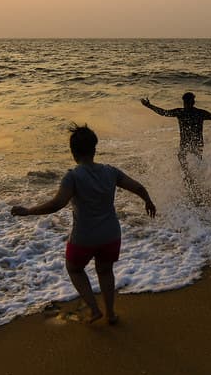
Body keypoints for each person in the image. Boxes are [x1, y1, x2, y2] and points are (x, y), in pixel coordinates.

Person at [11, 124, 156, 325]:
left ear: (73, 153)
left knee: (74, 269)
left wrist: (28, 211)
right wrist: (148, 200)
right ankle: (111, 314)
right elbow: (138, 187)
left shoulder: (73, 176)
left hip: (84, 237)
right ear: (94, 149)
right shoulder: (110, 172)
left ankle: (94, 309)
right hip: (111, 235)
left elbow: (57, 203)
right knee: (105, 271)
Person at [140, 92, 211, 167]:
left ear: (185, 102)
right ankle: (193, 180)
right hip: (197, 142)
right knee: (195, 162)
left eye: (186, 102)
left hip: (187, 142)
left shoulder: (181, 112)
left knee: (184, 160)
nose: (186, 104)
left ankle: (188, 179)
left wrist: (149, 105)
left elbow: (163, 112)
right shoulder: (199, 113)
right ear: (193, 102)